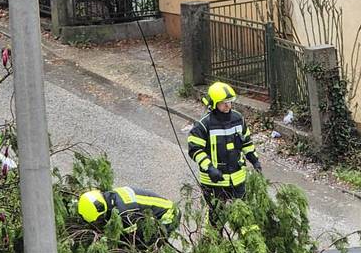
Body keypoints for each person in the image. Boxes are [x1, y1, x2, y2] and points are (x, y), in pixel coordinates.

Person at [187, 80, 262, 222]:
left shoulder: (238, 119)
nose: (228, 105)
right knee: (217, 218)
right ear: (214, 104)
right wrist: (209, 168)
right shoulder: (204, 125)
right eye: (223, 103)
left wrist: (255, 160)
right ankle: (216, 241)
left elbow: (246, 142)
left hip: (237, 178)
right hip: (215, 181)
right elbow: (195, 150)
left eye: (229, 101)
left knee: (243, 216)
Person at [77, 185, 177, 233]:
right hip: (156, 211)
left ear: (101, 209)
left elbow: (133, 238)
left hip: (169, 214)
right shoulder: (109, 197)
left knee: (149, 246)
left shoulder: (124, 212)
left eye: (99, 219)